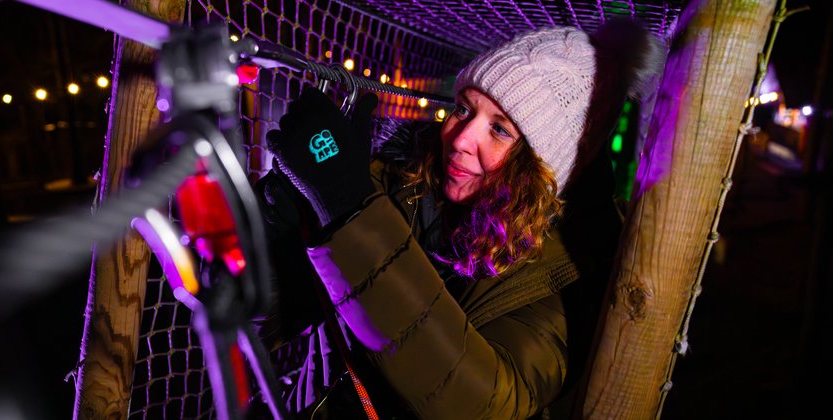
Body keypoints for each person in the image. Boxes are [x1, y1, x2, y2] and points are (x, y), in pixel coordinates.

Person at [255, 20, 663, 419]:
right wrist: (283, 216)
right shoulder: (405, 177)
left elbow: (484, 402)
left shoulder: (575, 264)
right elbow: (249, 305)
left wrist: (349, 213)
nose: (461, 139)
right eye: (463, 109)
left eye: (500, 130)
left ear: (550, 161)